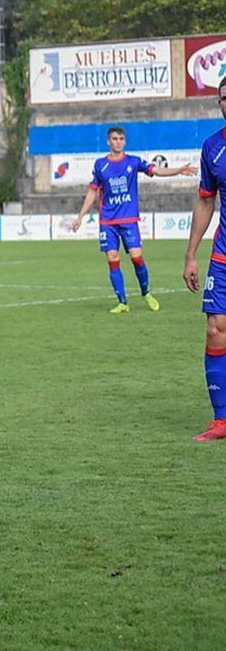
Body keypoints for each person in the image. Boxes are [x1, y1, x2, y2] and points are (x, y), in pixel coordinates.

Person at [72, 126, 196, 313]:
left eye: (121, 138)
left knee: (137, 258)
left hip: (129, 219)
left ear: (125, 141)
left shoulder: (133, 161)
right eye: (114, 139)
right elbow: (92, 191)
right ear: (108, 141)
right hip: (108, 221)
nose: (118, 142)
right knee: (113, 258)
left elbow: (155, 170)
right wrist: (80, 216)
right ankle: (122, 302)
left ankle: (146, 293)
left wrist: (178, 170)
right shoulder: (100, 165)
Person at [183, 75, 226, 442]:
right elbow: (205, 200)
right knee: (215, 330)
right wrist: (191, 255)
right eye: (224, 97)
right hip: (223, 257)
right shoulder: (213, 147)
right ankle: (222, 420)